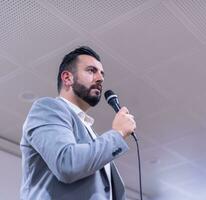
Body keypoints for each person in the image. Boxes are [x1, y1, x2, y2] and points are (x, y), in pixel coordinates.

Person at [20, 46, 136, 200]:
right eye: (91, 70)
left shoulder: (92, 134)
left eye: (102, 74)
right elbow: (66, 163)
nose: (100, 78)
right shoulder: (48, 108)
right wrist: (118, 133)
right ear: (67, 78)